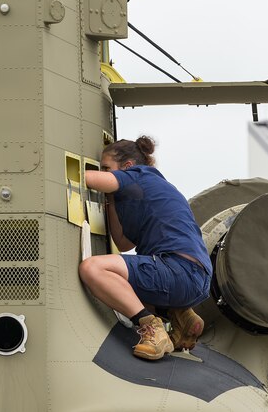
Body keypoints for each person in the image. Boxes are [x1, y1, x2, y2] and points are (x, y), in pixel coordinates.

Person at [79, 137, 212, 360]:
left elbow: (86, 178)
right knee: (121, 286)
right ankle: (180, 314)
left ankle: (152, 329)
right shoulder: (150, 187)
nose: (103, 173)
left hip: (178, 270)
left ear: (128, 167)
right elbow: (123, 242)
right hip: (194, 276)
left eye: (106, 168)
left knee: (93, 269)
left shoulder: (140, 175)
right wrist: (110, 196)